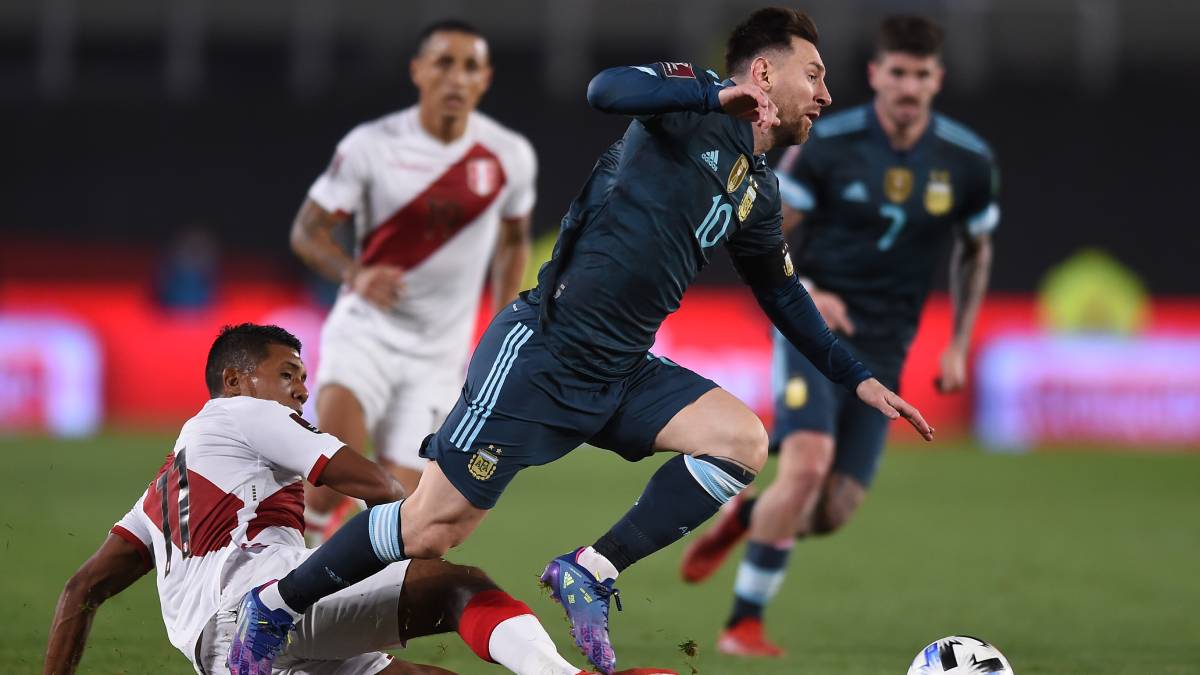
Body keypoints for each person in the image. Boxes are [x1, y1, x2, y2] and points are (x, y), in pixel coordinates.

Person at [231, 8, 934, 675]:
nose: (825, 92)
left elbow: (782, 293)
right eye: (812, 74)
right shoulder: (685, 110)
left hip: (623, 372)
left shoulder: (759, 189)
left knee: (741, 440)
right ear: (761, 73)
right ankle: (276, 604)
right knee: (431, 528)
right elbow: (605, 89)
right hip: (543, 352)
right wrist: (716, 97)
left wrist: (857, 376)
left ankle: (589, 570)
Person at [43, 324, 661, 675]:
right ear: (234, 381)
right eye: (286, 374)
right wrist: (404, 544)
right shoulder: (239, 414)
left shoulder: (162, 492)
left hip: (229, 653)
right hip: (260, 614)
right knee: (456, 586)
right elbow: (378, 485)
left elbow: (80, 591)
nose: (299, 392)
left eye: (303, 379)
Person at [678, 15, 1000, 657]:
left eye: (922, 74)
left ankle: (743, 517)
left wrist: (960, 341)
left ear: (938, 79)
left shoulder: (966, 162)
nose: (909, 86)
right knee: (806, 468)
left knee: (832, 510)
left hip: (889, 345)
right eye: (897, 72)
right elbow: (770, 221)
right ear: (877, 75)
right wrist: (812, 293)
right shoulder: (828, 144)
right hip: (815, 331)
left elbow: (975, 250)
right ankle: (742, 626)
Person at [291, 19, 536, 536]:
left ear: (484, 79)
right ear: (419, 71)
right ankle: (280, 589)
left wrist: (505, 324)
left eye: (469, 66)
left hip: (438, 359)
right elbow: (307, 231)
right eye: (444, 63)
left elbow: (513, 242)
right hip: (366, 335)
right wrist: (354, 273)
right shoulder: (371, 145)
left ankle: (332, 590)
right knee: (322, 485)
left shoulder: (509, 156)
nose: (456, 77)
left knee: (399, 518)